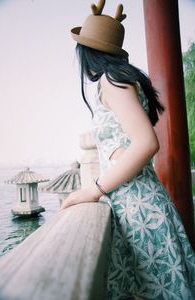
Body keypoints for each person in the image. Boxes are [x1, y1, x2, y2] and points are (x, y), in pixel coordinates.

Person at [60, 0, 195, 299]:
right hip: (140, 203)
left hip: (139, 206)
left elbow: (147, 143)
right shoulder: (120, 80)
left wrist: (94, 190)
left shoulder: (112, 81)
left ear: (86, 52)